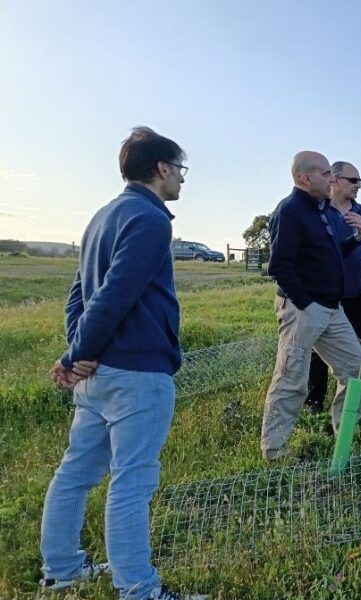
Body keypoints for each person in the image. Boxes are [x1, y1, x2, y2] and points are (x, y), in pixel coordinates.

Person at [40, 127, 205, 599]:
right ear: (161, 168)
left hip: (99, 375)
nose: (181, 179)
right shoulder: (151, 220)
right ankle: (139, 589)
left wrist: (78, 351)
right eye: (180, 169)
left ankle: (62, 568)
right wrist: (77, 354)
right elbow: (113, 294)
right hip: (136, 372)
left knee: (76, 471)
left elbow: (79, 295)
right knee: (132, 480)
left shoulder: (103, 215)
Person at [261, 151, 361, 460]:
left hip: (331, 309)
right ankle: (275, 452)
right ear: (304, 178)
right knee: (291, 380)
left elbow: (333, 251)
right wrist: (306, 304)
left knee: (357, 372)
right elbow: (280, 266)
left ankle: (345, 436)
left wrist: (358, 238)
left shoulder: (325, 211)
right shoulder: (290, 211)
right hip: (303, 309)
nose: (332, 179)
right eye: (325, 174)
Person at [305, 161, 361, 414]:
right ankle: (314, 402)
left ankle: (352, 408)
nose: (359, 185)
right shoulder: (320, 212)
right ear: (335, 179)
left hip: (356, 296)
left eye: (360, 181)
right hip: (324, 297)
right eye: (354, 180)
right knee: (317, 352)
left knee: (357, 352)